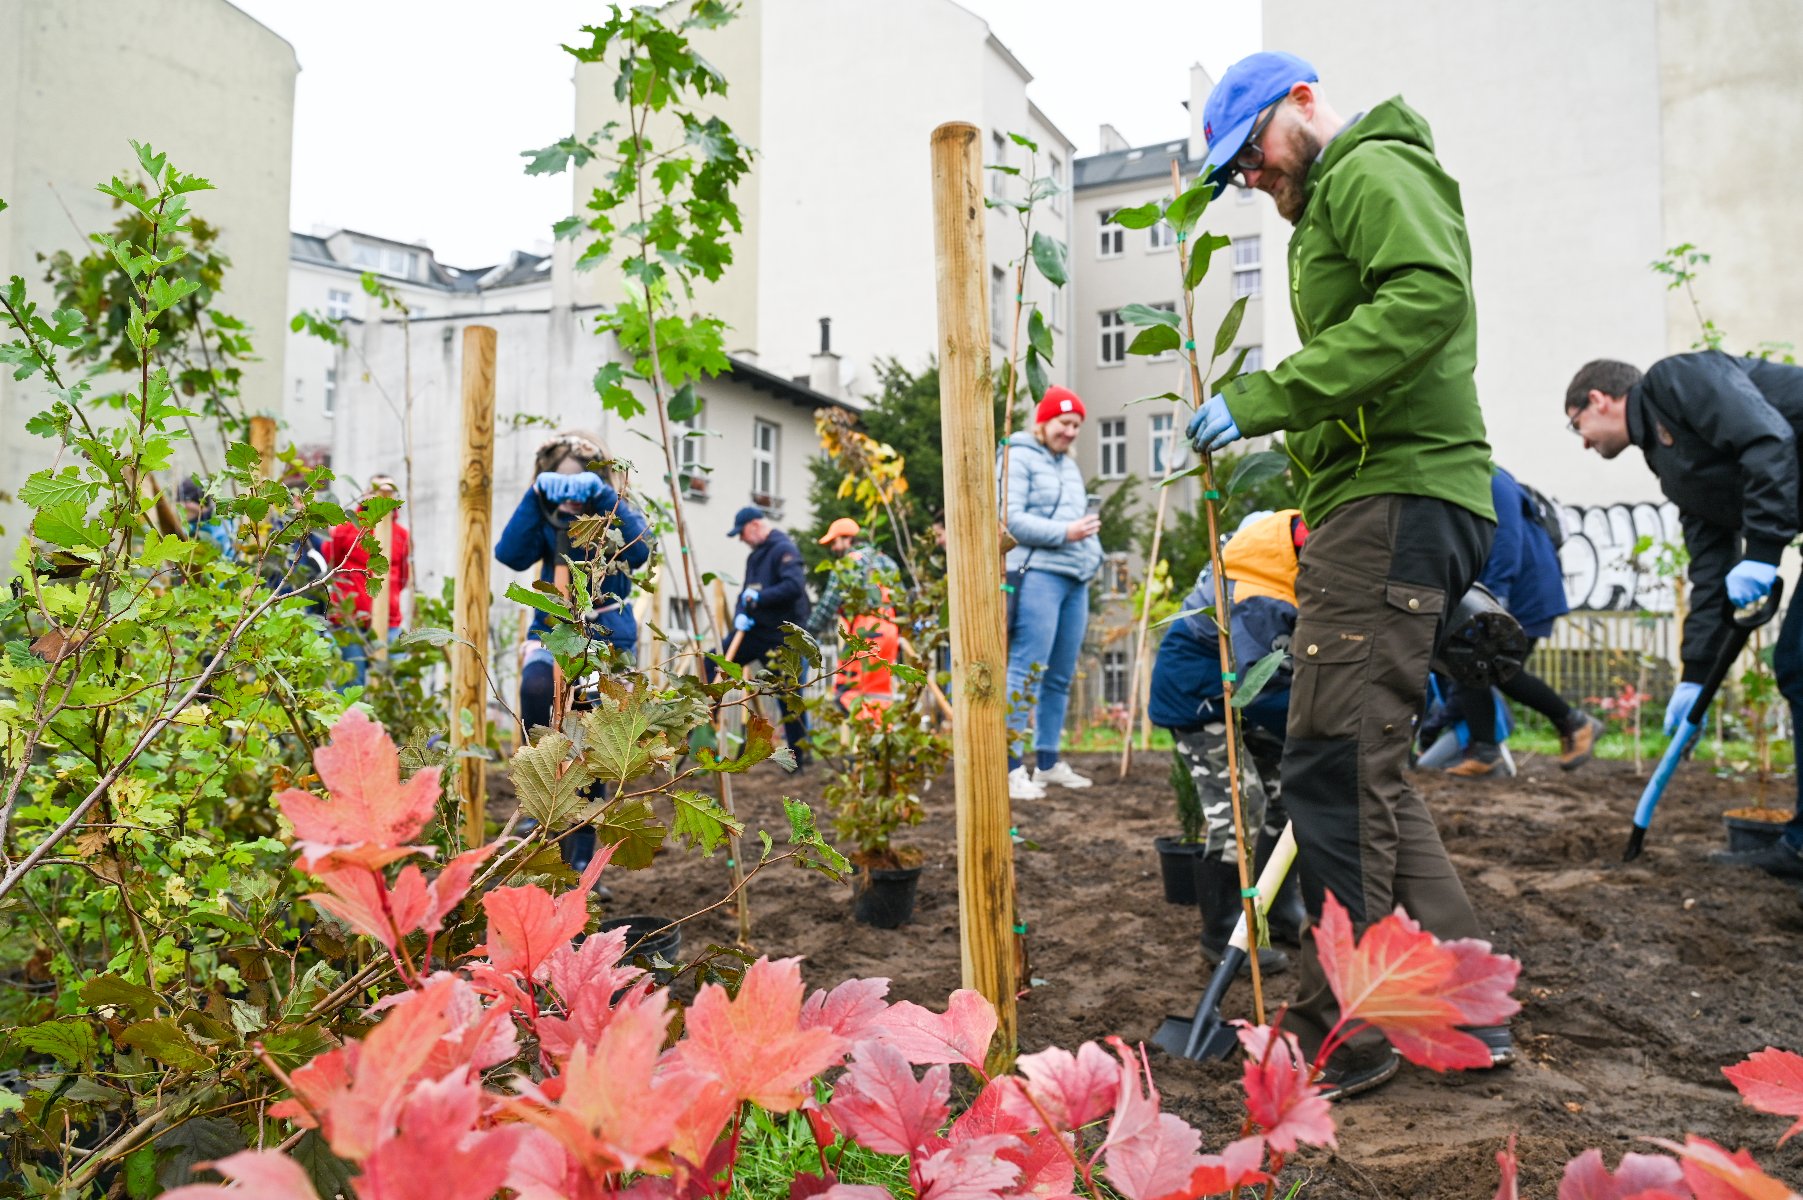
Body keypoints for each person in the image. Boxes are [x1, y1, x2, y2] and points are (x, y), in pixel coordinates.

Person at [1189, 52, 1508, 1096]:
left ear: (1300, 104)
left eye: (1251, 155)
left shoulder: (1369, 170)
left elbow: (1423, 303)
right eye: (1235, 172)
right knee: (1359, 764)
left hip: (1401, 497)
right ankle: (1461, 1014)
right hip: (1378, 504)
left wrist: (1272, 394)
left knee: (1327, 767)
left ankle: (1351, 1029)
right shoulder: (1333, 192)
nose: (1252, 179)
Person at [1565, 352, 1803, 881]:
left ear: (1599, 400)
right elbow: (1710, 567)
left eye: (1576, 423)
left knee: (1799, 661)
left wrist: (1763, 550)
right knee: (1798, 665)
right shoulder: (1668, 463)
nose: (1582, 440)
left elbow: (1768, 439)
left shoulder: (1678, 381)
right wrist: (1694, 675)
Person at [1149, 509, 1310, 975]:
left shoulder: (1288, 562)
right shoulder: (1260, 594)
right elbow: (1258, 684)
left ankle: (1277, 908)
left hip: (1251, 691)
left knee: (1287, 795)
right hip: (1199, 691)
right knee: (1239, 804)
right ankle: (1220, 933)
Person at [495, 431, 651, 873]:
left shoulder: (613, 510)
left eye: (576, 484)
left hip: (601, 638)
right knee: (537, 688)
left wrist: (601, 496)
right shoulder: (546, 514)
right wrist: (536, 495)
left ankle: (581, 845)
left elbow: (640, 551)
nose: (569, 496)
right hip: (552, 630)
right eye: (557, 483)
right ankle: (540, 800)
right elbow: (510, 553)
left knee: (586, 731)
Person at [1443, 466, 1604, 776]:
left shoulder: (1490, 476)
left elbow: (1507, 535)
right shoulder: (1464, 476)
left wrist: (1498, 595)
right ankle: (1490, 751)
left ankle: (1572, 724)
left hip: (1524, 592)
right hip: (1510, 589)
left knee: (1491, 667)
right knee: (1477, 668)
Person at [1000, 385, 1104, 802]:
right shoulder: (1017, 456)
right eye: (1065, 423)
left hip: (1075, 577)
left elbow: (1084, 522)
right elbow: (1008, 518)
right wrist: (1066, 533)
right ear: (1043, 422)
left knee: (1060, 676)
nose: (1071, 431)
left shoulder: (1069, 467)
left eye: (1077, 424)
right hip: (1037, 572)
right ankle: (1009, 765)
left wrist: (1093, 556)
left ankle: (1046, 763)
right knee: (1027, 669)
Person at [725, 505, 812, 760]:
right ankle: (707, 719)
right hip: (755, 632)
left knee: (789, 694)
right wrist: (740, 613)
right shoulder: (754, 557)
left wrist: (760, 597)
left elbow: (794, 587)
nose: (741, 539)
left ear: (754, 525)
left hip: (782, 637)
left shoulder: (783, 549)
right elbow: (745, 593)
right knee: (714, 660)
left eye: (742, 533)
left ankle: (799, 756)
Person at [806, 516, 902, 717]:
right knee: (879, 693)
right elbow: (902, 600)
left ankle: (864, 739)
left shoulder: (847, 564)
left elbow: (827, 605)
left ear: (847, 539)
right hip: (890, 630)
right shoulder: (887, 561)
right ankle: (880, 739)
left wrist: (806, 634)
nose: (833, 548)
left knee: (849, 692)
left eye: (835, 542)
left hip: (865, 632)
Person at [326, 475, 411, 689]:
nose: (381, 496)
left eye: (387, 491)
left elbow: (403, 578)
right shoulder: (347, 528)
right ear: (365, 494)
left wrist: (386, 602)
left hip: (389, 620)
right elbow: (331, 562)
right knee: (351, 682)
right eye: (376, 490)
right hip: (350, 620)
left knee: (395, 680)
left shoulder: (401, 535)